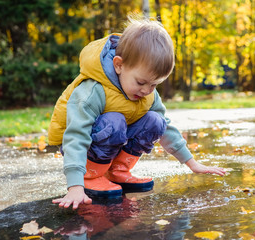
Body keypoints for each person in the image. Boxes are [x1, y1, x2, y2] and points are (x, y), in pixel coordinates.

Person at [49, 16, 226, 210]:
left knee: (156, 121)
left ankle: (118, 170)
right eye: (141, 82)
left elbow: (166, 128)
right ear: (119, 65)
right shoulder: (92, 91)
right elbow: (76, 136)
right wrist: (75, 186)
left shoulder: (148, 93)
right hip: (83, 150)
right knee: (114, 121)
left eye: (155, 84)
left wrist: (191, 163)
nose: (147, 90)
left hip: (110, 141)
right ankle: (91, 175)